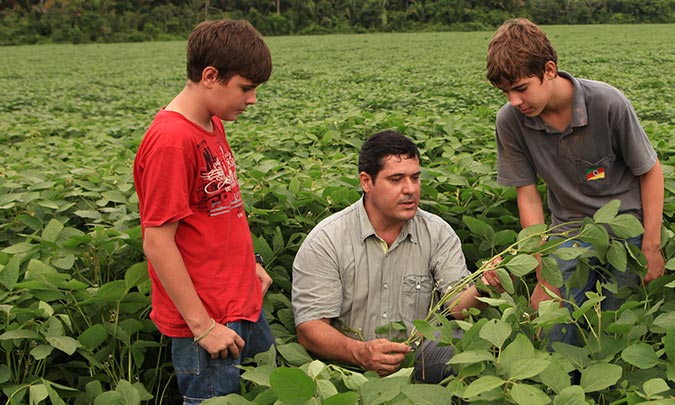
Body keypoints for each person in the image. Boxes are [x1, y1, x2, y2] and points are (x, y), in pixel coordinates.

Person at [486, 18, 666, 347]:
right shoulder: (511, 121)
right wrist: (541, 267)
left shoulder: (608, 103)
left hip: (625, 227)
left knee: (618, 330)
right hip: (567, 231)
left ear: (550, 70)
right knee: (553, 329)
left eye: (522, 88)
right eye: (505, 92)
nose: (514, 100)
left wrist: (651, 247)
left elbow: (650, 172)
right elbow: (528, 196)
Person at [132, 19, 274, 404]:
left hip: (239, 296)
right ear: (211, 76)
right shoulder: (172, 142)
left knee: (271, 388)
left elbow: (217, 211)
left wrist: (249, 265)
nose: (252, 99)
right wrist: (203, 327)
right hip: (208, 318)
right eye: (246, 88)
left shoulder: (211, 122)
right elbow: (158, 243)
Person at [292, 130, 502, 384]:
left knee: (463, 352)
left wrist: (484, 286)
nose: (410, 189)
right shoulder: (327, 240)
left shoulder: (437, 233)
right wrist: (359, 352)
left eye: (415, 178)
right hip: (349, 368)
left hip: (420, 361)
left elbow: (458, 308)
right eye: (396, 179)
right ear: (366, 182)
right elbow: (310, 328)